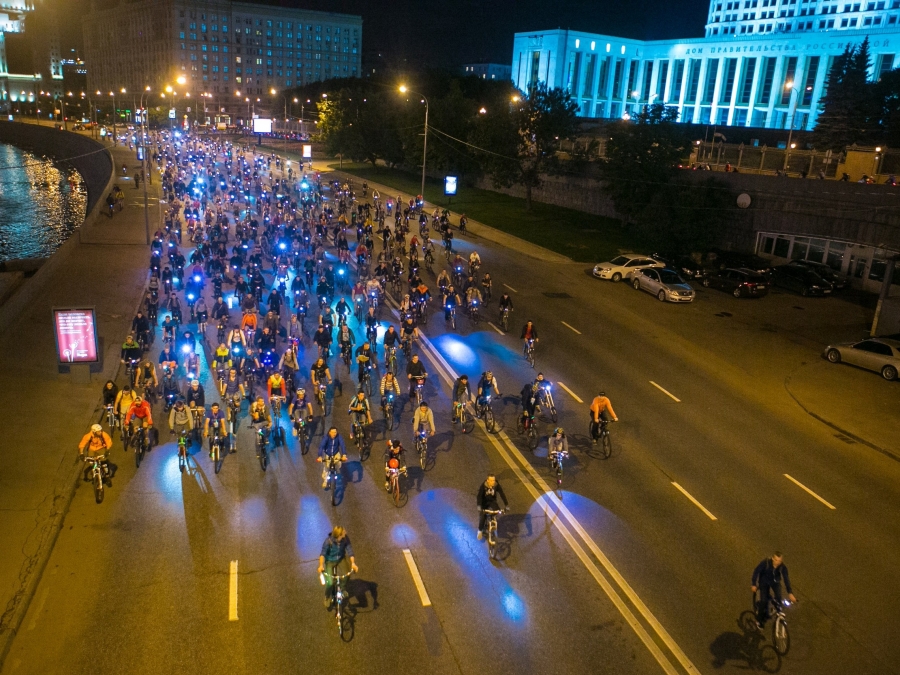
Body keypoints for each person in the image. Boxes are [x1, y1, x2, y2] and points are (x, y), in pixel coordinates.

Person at [752, 553, 797, 630]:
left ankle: (775, 609)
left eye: (780, 561)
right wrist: (753, 584)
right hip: (764, 582)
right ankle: (759, 620)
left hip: (775, 582)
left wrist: (790, 593)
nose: (778, 562)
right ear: (772, 558)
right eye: (776, 560)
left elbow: (786, 579)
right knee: (763, 601)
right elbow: (756, 571)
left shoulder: (782, 567)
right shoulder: (765, 563)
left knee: (779, 598)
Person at [317, 526, 358, 608]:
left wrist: (353, 563)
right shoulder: (328, 541)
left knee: (347, 575)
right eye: (343, 532)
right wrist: (321, 565)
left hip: (341, 559)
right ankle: (327, 596)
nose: (345, 532)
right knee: (330, 582)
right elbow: (322, 554)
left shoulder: (345, 539)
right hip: (330, 561)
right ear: (339, 535)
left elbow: (350, 550)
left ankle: (342, 589)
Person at [476, 474, 508, 540]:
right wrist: (479, 505)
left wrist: (506, 504)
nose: (493, 482)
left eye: (494, 480)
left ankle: (493, 520)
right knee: (483, 516)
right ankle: (480, 531)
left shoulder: (496, 485)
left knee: (497, 511)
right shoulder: (483, 486)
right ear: (487, 480)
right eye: (491, 480)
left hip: (492, 501)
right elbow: (479, 496)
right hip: (484, 502)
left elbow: (502, 493)